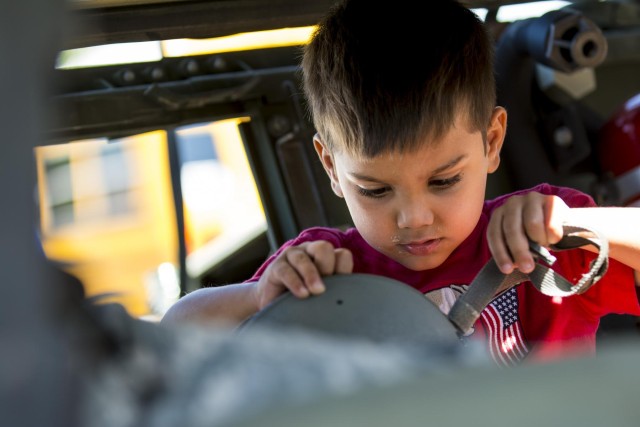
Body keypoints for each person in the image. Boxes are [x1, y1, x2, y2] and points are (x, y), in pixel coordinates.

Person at [162, 0, 640, 365]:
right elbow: (174, 338)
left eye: (444, 180)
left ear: (492, 141)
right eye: (375, 190)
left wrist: (573, 223)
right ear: (331, 167)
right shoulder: (326, 271)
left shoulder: (551, 238)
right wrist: (256, 295)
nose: (414, 217)